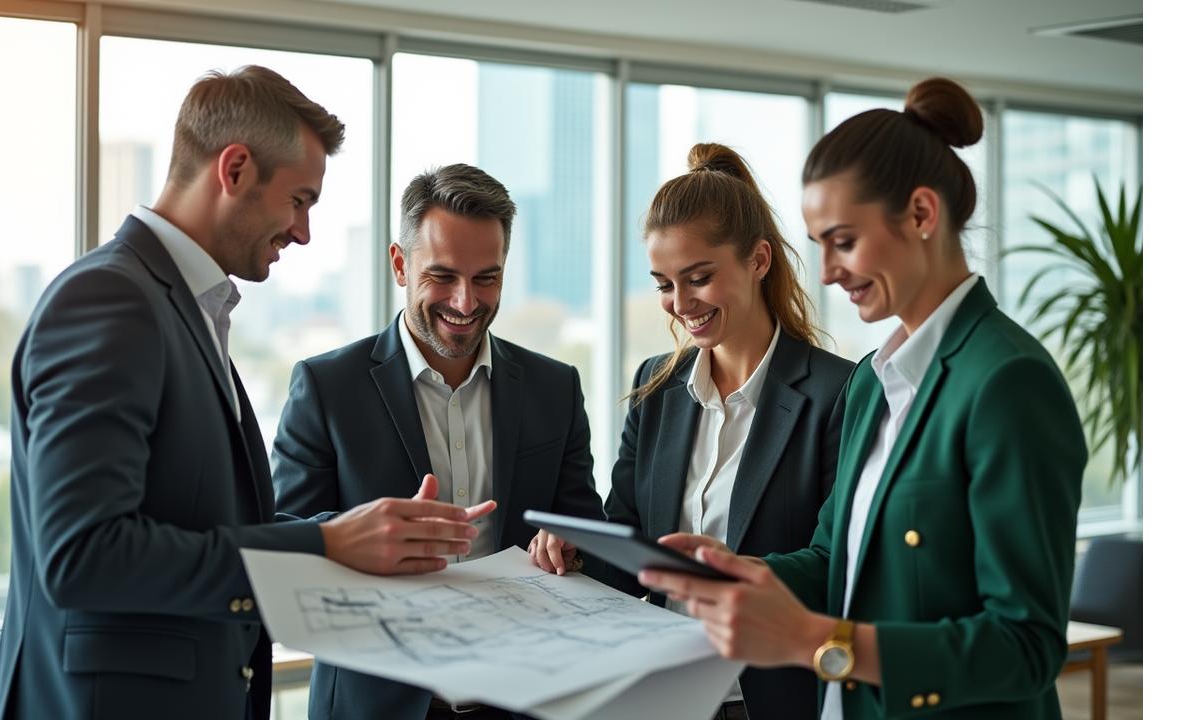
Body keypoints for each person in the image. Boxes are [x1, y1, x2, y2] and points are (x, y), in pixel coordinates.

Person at [0, 66, 493, 720]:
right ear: (235, 170)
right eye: (299, 200)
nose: (304, 231)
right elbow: (84, 554)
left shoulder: (180, 306)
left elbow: (198, 522)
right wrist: (326, 546)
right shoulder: (109, 299)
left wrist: (354, 531)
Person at [639, 78, 1087, 719]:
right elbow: (834, 561)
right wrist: (737, 572)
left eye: (844, 241)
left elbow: (1027, 646)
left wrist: (815, 640)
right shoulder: (876, 380)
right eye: (819, 243)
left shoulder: (1007, 380)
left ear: (923, 216)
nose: (825, 272)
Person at [528, 143, 852, 720]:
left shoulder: (838, 393)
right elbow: (630, 546)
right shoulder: (656, 386)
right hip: (664, 695)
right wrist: (578, 552)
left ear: (758, 260)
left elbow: (839, 564)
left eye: (698, 278)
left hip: (775, 699)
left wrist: (740, 571)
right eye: (663, 284)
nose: (680, 305)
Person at [271, 162, 606, 720]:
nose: (466, 302)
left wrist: (571, 549)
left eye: (486, 278)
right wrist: (371, 543)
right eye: (444, 276)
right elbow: (284, 552)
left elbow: (586, 535)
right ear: (400, 265)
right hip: (375, 705)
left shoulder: (555, 388)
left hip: (523, 699)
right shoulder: (327, 387)